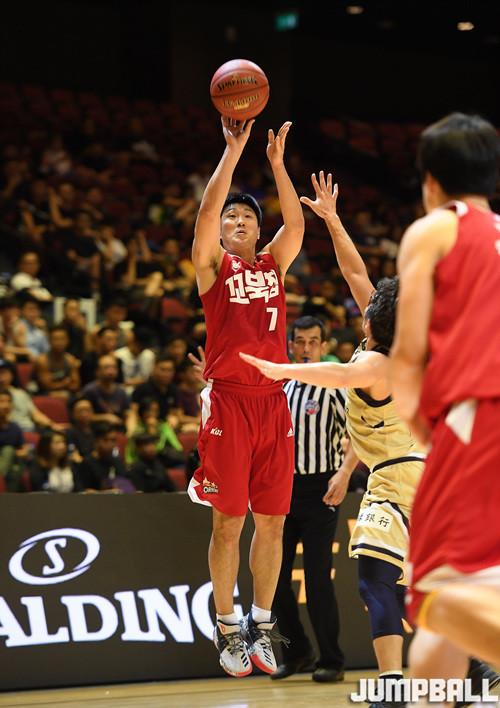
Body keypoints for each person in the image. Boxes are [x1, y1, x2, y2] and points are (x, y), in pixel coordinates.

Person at [241, 171, 425, 708]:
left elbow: (339, 374)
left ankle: (394, 684)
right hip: (425, 470)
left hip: (399, 477)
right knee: (404, 580)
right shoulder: (397, 340)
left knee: (375, 578)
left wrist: (282, 370)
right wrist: (332, 220)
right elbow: (355, 271)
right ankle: (466, 664)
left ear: (371, 323)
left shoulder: (377, 362)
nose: (361, 307)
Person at [188, 116, 304, 677]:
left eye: (248, 217)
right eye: (230, 217)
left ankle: (262, 622)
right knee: (228, 524)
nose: (236, 221)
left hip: (273, 403)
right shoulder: (213, 267)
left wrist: (278, 164)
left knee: (274, 522)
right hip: (230, 402)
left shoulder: (273, 264)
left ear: (259, 231)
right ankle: (227, 625)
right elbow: (206, 214)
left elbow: (297, 225)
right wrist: (234, 150)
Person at [391, 113, 500, 692]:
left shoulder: (434, 230)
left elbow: (408, 354)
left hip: (479, 417)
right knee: (454, 603)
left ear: (430, 182)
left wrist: (427, 430)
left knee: (433, 592)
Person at [272, 316, 357, 683]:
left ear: (324, 346)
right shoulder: (282, 386)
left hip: (321, 489)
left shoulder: (336, 388)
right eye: (300, 341)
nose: (306, 349)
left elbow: (359, 433)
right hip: (282, 490)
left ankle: (332, 660)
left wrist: (344, 473)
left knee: (317, 578)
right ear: (291, 344)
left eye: (313, 342)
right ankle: (297, 653)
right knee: (273, 578)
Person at [74, 422, 132, 493]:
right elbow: (83, 491)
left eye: (113, 440)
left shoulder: (117, 462)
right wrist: (107, 492)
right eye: (106, 440)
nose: (111, 444)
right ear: (96, 441)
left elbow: (126, 486)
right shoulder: (86, 463)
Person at [35, 325, 81, 398]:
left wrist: (58, 383)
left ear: (68, 340)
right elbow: (46, 386)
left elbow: (76, 385)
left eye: (62, 339)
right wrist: (65, 383)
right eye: (56, 339)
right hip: (45, 394)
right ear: (49, 341)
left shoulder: (70, 359)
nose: (59, 342)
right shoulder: (42, 360)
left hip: (68, 393)